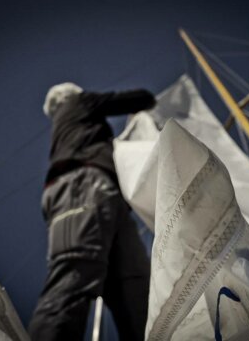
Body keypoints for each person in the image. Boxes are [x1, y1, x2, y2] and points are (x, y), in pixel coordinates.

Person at [28, 82, 155, 341]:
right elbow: (139, 98)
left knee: (137, 291)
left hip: (102, 195)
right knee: (74, 275)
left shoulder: (71, 124)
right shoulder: (78, 103)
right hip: (84, 186)